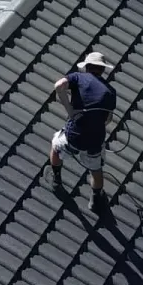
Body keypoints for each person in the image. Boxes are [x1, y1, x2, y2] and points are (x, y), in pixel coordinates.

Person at [51, 51, 116, 211]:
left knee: (56, 146)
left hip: (75, 135)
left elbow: (59, 86)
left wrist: (70, 110)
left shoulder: (78, 77)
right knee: (96, 169)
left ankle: (56, 179)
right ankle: (95, 199)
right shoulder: (110, 92)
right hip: (95, 140)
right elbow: (107, 120)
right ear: (102, 70)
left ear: (86, 66)